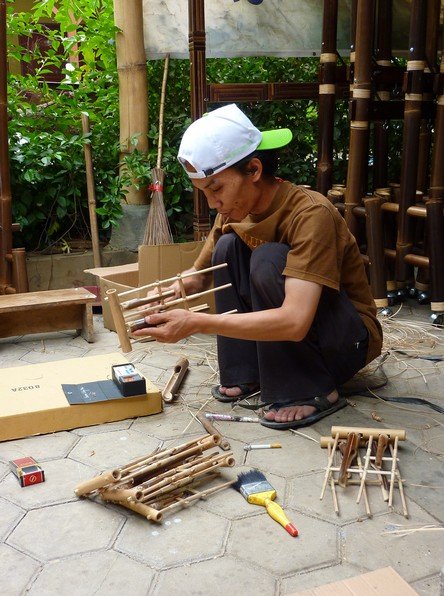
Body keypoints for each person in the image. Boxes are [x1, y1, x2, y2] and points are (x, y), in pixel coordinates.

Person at [134, 103, 383, 429]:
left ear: (253, 170)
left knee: (267, 259)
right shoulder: (234, 209)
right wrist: (170, 292)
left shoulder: (311, 214)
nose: (213, 204)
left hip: (345, 342)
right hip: (302, 333)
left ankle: (310, 388)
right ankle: (246, 374)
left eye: (216, 189)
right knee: (227, 247)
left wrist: (195, 323)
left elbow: (295, 321)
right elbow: (198, 277)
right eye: (205, 192)